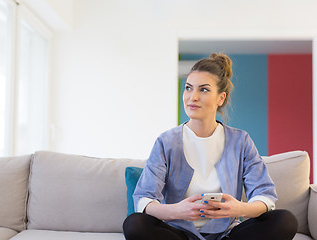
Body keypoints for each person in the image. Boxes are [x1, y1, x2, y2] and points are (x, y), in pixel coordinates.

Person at [123, 53, 298, 240]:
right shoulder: (166, 141)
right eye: (188, 88)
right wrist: (177, 211)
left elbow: (265, 195)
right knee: (134, 224)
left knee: (285, 220)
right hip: (179, 233)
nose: (193, 97)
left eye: (204, 90)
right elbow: (144, 200)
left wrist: (239, 208)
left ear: (220, 98)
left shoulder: (241, 141)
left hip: (228, 234)